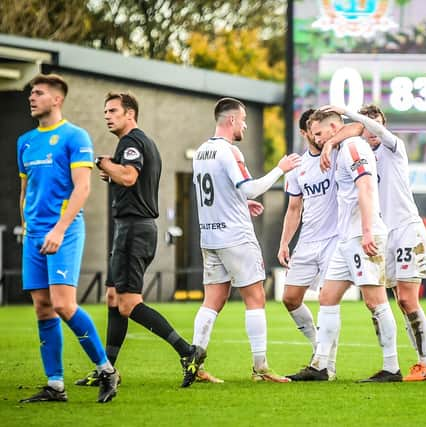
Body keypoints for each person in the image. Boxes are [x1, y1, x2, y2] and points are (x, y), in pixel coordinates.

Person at [79, 92, 206, 389]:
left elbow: (129, 177)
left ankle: (188, 352)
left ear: (130, 114)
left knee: (128, 303)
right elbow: (128, 176)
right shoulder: (140, 143)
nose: (107, 116)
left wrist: (104, 164)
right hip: (131, 228)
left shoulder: (131, 142)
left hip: (134, 230)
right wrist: (113, 169)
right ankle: (107, 369)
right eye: (105, 111)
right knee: (113, 297)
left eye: (113, 111)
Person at [17, 74, 118, 403]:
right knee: (43, 309)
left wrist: (58, 230)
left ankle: (106, 370)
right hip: (34, 235)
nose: (32, 97)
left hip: (65, 229)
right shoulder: (26, 142)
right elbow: (25, 191)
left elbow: (83, 187)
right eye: (31, 93)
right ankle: (55, 385)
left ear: (57, 99)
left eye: (39, 93)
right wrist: (27, 226)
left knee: (63, 304)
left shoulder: (75, 136)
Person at [318, 104, 426, 382]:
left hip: (406, 229)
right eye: (367, 126)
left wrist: (348, 112)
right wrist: (331, 143)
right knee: (396, 300)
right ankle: (418, 363)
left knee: (407, 299)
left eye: (377, 124)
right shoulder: (360, 154)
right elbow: (351, 132)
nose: (372, 131)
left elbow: (372, 129)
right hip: (384, 231)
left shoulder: (393, 148)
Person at [190, 97, 300, 382]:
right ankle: (260, 368)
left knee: (212, 300)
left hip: (210, 236)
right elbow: (250, 189)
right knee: (256, 297)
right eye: (243, 120)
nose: (246, 125)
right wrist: (280, 168)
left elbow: (213, 192)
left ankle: (195, 364)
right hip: (236, 236)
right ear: (231, 121)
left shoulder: (201, 151)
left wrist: (240, 204)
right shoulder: (230, 152)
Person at [287, 110, 400, 383]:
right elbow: (354, 128)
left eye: (319, 133)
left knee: (375, 301)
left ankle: (392, 367)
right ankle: (321, 366)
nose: (316, 138)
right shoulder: (341, 144)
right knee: (327, 297)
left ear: (334, 127)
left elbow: (365, 188)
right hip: (345, 238)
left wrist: (367, 231)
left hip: (363, 235)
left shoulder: (353, 148)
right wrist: (328, 142)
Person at [277, 108, 340, 380]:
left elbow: (356, 129)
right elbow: (294, 208)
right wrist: (284, 243)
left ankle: (326, 365)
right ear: (304, 133)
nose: (319, 136)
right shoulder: (297, 167)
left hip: (335, 240)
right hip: (308, 241)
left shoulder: (338, 154)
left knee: (328, 300)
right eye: (313, 132)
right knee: (290, 298)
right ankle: (319, 350)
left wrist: (333, 143)